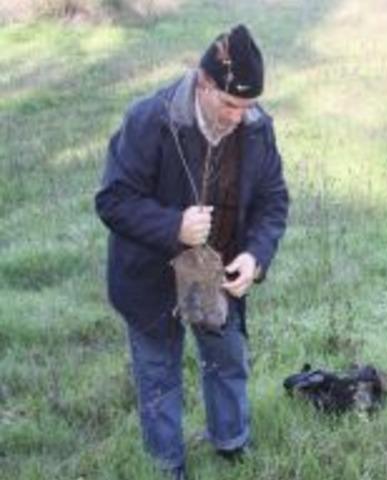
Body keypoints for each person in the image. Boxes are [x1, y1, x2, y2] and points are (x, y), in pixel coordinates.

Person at [95, 24, 289, 479]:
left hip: (217, 275)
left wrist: (255, 256)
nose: (239, 116)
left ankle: (232, 445)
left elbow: (273, 199)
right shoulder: (150, 120)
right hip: (150, 278)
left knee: (227, 361)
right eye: (228, 103)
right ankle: (167, 467)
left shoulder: (256, 127)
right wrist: (173, 225)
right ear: (203, 83)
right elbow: (112, 199)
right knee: (158, 376)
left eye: (247, 106)